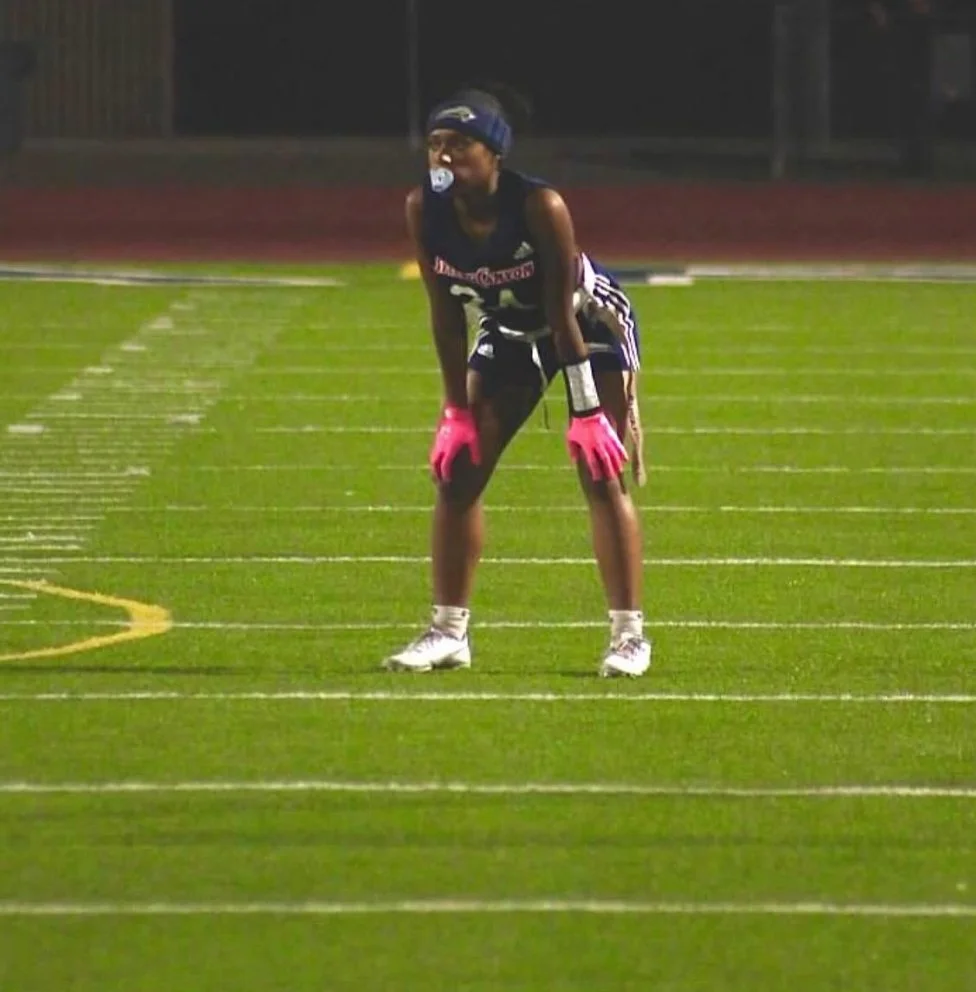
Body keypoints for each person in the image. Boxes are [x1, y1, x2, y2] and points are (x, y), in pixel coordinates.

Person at [382, 83, 651, 679]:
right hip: (508, 324)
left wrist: (585, 413)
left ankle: (629, 636)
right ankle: (449, 630)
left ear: (495, 153)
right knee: (458, 471)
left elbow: (561, 315)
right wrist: (455, 410)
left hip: (587, 325)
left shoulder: (539, 206)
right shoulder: (422, 208)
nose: (443, 157)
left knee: (600, 471)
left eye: (459, 143)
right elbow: (447, 315)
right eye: (435, 144)